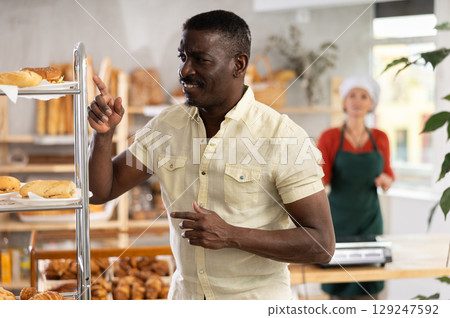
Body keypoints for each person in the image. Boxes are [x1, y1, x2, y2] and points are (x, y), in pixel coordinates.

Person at [88, 10, 335, 300]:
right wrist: (103, 136)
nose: (184, 71)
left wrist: (231, 235)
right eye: (183, 57)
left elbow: (321, 244)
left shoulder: (282, 136)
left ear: (238, 64)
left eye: (200, 60)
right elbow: (100, 191)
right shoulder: (166, 127)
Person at [317, 75, 394, 300]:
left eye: (363, 96)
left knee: (369, 286)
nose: (357, 101)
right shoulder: (329, 137)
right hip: (337, 221)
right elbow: (323, 180)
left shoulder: (380, 138)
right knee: (338, 285)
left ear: (372, 104)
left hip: (370, 220)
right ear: (343, 102)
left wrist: (386, 181)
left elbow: (388, 174)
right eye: (352, 95)